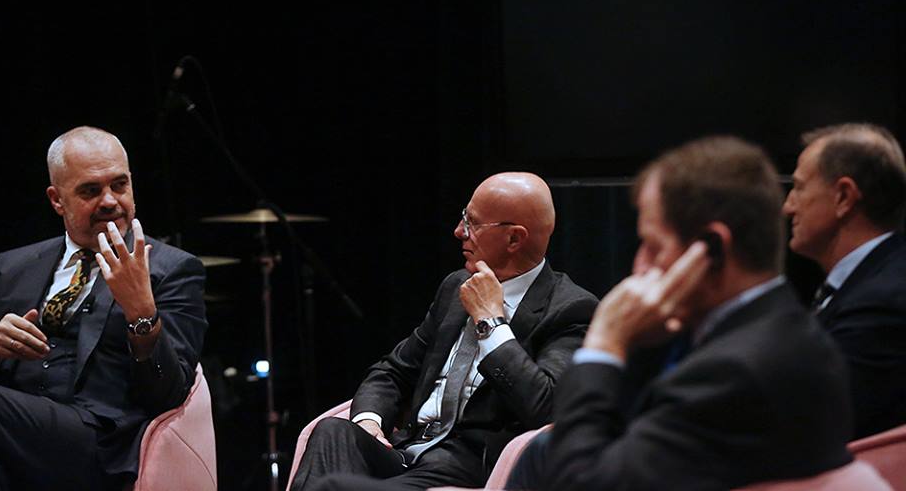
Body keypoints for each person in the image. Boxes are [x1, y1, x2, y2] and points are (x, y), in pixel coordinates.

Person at [534, 136, 852, 490]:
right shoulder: (778, 327)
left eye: (653, 246)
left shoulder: (733, 372)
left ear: (712, 249)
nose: (640, 266)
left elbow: (579, 483)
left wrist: (604, 344)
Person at [289, 172, 598, 491]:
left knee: (334, 487)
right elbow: (393, 371)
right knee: (332, 432)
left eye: (472, 223)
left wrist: (490, 323)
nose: (459, 231)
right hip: (406, 453)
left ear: (514, 240)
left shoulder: (570, 309)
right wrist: (369, 421)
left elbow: (545, 407)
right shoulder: (455, 287)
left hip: (463, 467)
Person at [0, 126, 207, 491]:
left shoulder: (171, 269)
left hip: (100, 445)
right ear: (57, 200)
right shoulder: (12, 267)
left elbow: (170, 396)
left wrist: (142, 315)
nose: (110, 201)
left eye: (119, 185)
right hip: (17, 434)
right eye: (90, 190)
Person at [783, 122, 906, 439]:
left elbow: (810, 422)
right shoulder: (870, 280)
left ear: (843, 197)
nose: (788, 206)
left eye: (799, 188)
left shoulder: (882, 301)